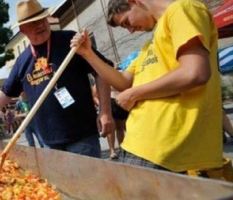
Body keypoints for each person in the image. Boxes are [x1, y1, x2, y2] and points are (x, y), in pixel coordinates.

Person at [70, 0, 222, 172]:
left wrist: (134, 94)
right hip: (140, 144)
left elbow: (194, 72)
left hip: (165, 146)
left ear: (134, 2)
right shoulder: (150, 44)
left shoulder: (183, 9)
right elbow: (122, 82)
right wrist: (88, 54)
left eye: (127, 22)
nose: (131, 30)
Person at [0, 0, 114, 158]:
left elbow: (101, 71)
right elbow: (5, 93)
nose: (39, 25)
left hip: (82, 135)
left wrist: (105, 111)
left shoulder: (70, 41)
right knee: (57, 183)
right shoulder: (22, 61)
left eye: (42, 19)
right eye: (32, 24)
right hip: (48, 141)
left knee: (89, 181)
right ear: (23, 30)